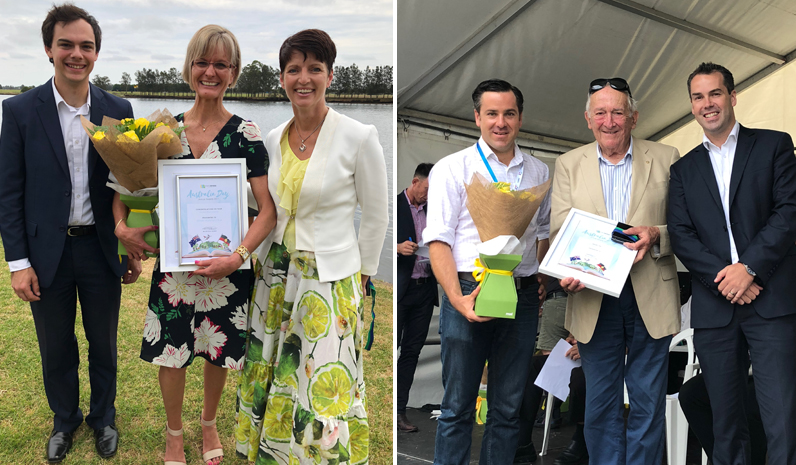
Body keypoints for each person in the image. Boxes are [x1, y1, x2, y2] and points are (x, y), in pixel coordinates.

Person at [115, 25, 276, 465]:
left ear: (234, 72)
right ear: (189, 68)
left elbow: (267, 211)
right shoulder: (162, 130)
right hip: (175, 267)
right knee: (172, 353)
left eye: (221, 64)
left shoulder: (248, 133)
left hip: (227, 266)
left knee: (215, 350)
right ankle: (173, 433)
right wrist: (121, 227)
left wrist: (238, 256)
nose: (210, 71)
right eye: (202, 62)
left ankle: (208, 423)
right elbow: (123, 187)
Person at [234, 29, 388, 465]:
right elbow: (256, 207)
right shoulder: (272, 138)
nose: (304, 78)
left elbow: (376, 215)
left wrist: (360, 277)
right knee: (273, 370)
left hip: (329, 278)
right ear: (282, 78)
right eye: (293, 69)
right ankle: (273, 452)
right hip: (275, 274)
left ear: (330, 76)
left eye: (314, 69)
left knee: (321, 375)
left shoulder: (360, 136)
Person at [0, 4, 140, 462]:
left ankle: (103, 417)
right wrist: (18, 264)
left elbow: (131, 184)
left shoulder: (118, 109)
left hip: (102, 250)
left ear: (96, 54)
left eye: (86, 46)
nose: (76, 54)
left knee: (103, 341)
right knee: (55, 345)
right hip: (46, 254)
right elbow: (10, 192)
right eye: (67, 44)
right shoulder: (19, 111)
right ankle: (65, 420)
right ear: (48, 49)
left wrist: (133, 246)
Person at [668, 62, 796, 465]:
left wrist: (750, 269)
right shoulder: (683, 169)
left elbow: (788, 212)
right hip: (715, 308)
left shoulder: (774, 145)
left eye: (715, 93)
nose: (708, 104)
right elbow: (681, 234)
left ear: (732, 96)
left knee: (782, 419)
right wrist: (726, 279)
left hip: (772, 301)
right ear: (691, 105)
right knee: (725, 422)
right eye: (698, 96)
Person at [551, 77, 680, 465]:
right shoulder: (568, 164)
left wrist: (656, 233)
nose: (610, 121)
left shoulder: (667, 156)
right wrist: (565, 270)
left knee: (647, 402)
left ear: (634, 117)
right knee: (600, 404)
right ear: (588, 120)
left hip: (650, 294)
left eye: (618, 112)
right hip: (593, 296)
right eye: (601, 113)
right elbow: (560, 229)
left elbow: (687, 224)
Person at [424, 79, 550, 465]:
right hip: (467, 290)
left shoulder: (539, 171)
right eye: (492, 113)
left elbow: (543, 235)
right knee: (457, 406)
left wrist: (543, 276)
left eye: (509, 113)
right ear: (477, 116)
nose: (501, 122)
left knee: (508, 408)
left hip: (522, 294)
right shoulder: (452, 168)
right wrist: (457, 300)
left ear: (520, 118)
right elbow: (438, 242)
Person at [397, 162, 437, 433]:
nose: (429, 195)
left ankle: (400, 410)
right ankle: (391, 409)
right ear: (414, 181)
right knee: (394, 349)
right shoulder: (395, 205)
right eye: (427, 189)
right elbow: (371, 241)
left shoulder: (434, 210)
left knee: (412, 352)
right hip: (402, 290)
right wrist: (396, 248)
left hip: (425, 290)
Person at [679, 372, 766, 465]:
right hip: (737, 368)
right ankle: (723, 460)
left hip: (766, 374)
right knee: (690, 394)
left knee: (747, 403)